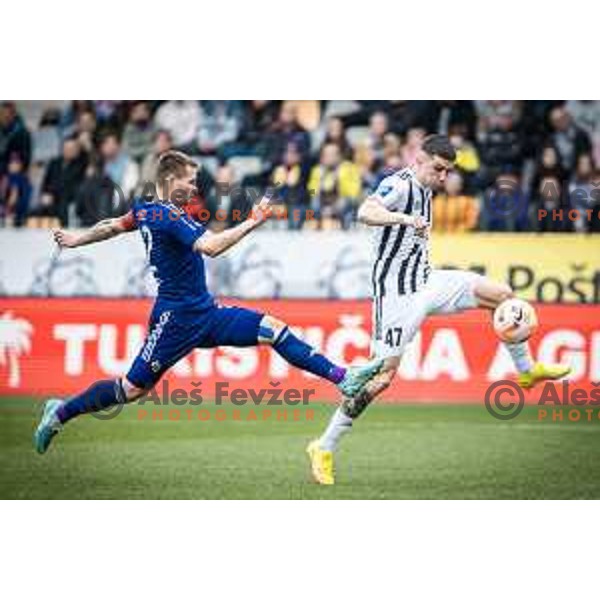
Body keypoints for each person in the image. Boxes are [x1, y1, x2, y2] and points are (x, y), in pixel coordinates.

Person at [34, 150, 383, 454]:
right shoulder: (169, 215)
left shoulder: (146, 208)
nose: (195, 188)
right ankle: (60, 412)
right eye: (189, 181)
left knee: (273, 329)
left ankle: (343, 378)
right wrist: (252, 222)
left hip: (204, 311)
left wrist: (77, 239)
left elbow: (113, 225)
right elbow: (212, 247)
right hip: (175, 320)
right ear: (170, 180)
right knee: (130, 389)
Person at [306, 135, 572, 485]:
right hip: (397, 296)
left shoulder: (428, 187)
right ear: (420, 159)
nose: (444, 177)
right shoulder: (398, 185)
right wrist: (403, 219)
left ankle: (526, 371)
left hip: (427, 281)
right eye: (439, 169)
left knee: (503, 295)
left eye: (448, 171)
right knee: (381, 379)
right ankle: (324, 446)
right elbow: (365, 211)